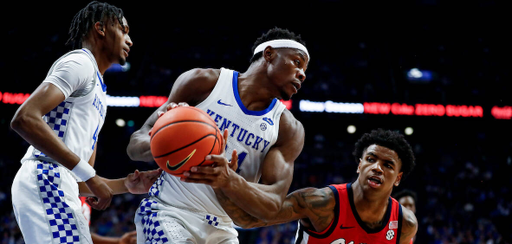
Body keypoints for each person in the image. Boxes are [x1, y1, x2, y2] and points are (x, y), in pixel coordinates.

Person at [126, 27, 309, 243]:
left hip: (222, 228)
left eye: (305, 70)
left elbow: (271, 204)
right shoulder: (204, 83)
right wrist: (167, 139)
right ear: (269, 54)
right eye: (297, 62)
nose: (302, 74)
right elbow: (135, 145)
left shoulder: (288, 128)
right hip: (169, 212)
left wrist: (228, 180)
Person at [10, 2, 160, 243]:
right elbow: (24, 118)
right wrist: (89, 176)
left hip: (62, 182)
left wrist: (128, 185)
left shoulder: (101, 94)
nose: (130, 40)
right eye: (124, 30)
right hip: (45, 175)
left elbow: (81, 179)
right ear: (100, 28)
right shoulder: (81, 63)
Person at [211, 129, 418, 244]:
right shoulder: (320, 202)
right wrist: (222, 181)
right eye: (371, 159)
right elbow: (246, 219)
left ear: (398, 178)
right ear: (359, 165)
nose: (377, 168)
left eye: (387, 165)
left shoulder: (404, 223)